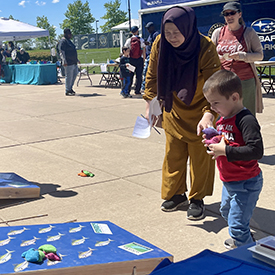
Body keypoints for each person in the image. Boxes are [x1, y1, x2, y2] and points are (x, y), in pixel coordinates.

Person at [143, 6, 220, 220]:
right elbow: (152, 76)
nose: (172, 37)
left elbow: (216, 85)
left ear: (188, 27)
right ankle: (177, 194)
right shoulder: (160, 43)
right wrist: (152, 105)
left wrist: (209, 113)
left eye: (177, 32)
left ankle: (197, 198)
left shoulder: (205, 46)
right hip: (173, 107)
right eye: (167, 33)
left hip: (200, 107)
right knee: (173, 154)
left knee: (200, 157)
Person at [202, 70, 263, 249]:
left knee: (236, 225)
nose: (212, 108)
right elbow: (226, 141)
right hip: (230, 180)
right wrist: (213, 143)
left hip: (246, 181)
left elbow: (256, 150)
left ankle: (248, 256)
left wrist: (225, 150)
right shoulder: (224, 118)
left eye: (215, 103)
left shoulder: (246, 120)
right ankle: (243, 237)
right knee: (226, 211)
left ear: (234, 97)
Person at [211, 1, 263, 116]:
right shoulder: (218, 33)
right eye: (226, 14)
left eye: (232, 13)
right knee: (225, 114)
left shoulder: (249, 32)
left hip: (245, 81)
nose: (229, 16)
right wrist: (218, 58)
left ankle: (247, 135)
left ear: (239, 14)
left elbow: (259, 55)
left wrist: (242, 56)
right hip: (223, 82)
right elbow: (211, 55)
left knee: (247, 115)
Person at [124, 26, 146, 95]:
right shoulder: (141, 40)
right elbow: (144, 50)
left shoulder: (129, 40)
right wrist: (144, 59)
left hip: (131, 60)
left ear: (131, 32)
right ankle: (137, 90)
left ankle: (128, 90)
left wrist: (126, 58)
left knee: (130, 75)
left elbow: (125, 49)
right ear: (137, 31)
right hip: (139, 59)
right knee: (139, 76)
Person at [58, 28, 79, 96]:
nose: (70, 35)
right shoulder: (63, 41)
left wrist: (77, 59)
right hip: (68, 62)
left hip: (73, 62)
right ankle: (67, 90)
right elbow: (62, 52)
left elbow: (73, 51)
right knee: (69, 76)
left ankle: (70, 88)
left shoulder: (69, 41)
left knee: (75, 74)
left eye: (70, 34)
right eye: (69, 34)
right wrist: (64, 60)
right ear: (65, 34)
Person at [141, 22, 159, 92]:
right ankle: (145, 86)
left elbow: (157, 45)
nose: (148, 30)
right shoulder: (150, 35)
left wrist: (150, 44)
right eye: (147, 28)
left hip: (153, 56)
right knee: (146, 72)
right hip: (148, 55)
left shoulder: (156, 34)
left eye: (149, 28)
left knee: (147, 71)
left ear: (152, 27)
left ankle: (144, 86)